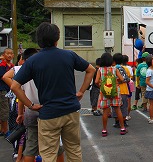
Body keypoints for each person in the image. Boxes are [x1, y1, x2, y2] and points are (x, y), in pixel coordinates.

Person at [11, 22, 96, 162]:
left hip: (48, 113)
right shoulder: (69, 55)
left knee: (49, 154)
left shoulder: (32, 61)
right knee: (74, 150)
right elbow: (91, 70)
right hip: (71, 110)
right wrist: (81, 92)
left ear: (39, 40)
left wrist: (30, 105)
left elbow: (14, 86)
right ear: (57, 38)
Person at [3, 48, 65, 162]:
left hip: (30, 111)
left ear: (24, 59)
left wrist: (21, 113)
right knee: (55, 143)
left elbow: (20, 95)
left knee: (31, 146)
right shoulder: (47, 68)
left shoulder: (20, 71)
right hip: (48, 110)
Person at [96, 52, 127, 136]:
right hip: (115, 92)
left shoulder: (100, 70)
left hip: (104, 93)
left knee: (105, 112)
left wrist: (101, 85)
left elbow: (96, 81)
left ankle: (104, 130)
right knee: (118, 110)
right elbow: (122, 79)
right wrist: (116, 82)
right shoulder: (114, 69)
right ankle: (122, 128)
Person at [112, 53, 131, 128]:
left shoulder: (112, 68)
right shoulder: (125, 68)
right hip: (124, 89)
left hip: (115, 90)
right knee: (124, 106)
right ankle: (124, 121)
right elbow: (128, 78)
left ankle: (117, 121)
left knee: (115, 107)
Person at [0, 47, 14, 136]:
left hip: (9, 90)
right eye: (7, 53)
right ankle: (4, 130)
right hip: (3, 90)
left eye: (11, 53)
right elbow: (3, 77)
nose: (9, 55)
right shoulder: (2, 65)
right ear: (3, 55)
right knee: (4, 110)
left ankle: (4, 129)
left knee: (8, 109)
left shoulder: (12, 66)